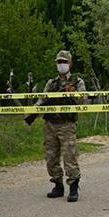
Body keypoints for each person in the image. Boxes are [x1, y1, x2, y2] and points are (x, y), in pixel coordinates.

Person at [24, 50, 87, 202]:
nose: (61, 65)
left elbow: (83, 102)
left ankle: (73, 187)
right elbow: (42, 100)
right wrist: (32, 113)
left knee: (69, 156)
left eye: (64, 62)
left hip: (66, 124)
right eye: (59, 62)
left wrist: (73, 95)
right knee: (51, 157)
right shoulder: (51, 83)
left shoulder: (77, 82)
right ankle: (58, 185)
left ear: (70, 64)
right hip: (50, 124)